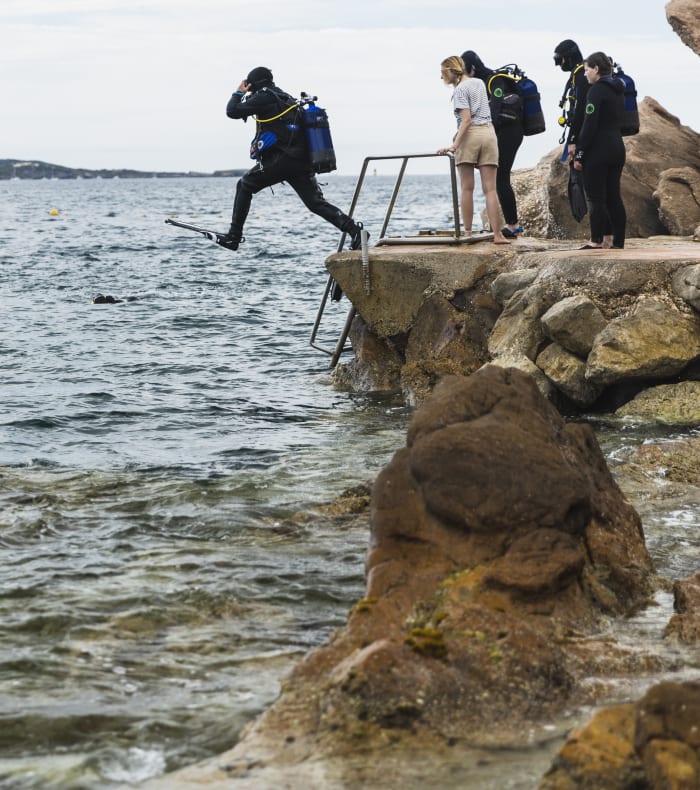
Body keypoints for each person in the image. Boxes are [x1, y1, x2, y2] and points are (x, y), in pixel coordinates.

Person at [219, 66, 363, 252]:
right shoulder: (286, 98)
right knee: (315, 203)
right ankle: (355, 231)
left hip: (282, 160)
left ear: (253, 83)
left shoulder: (264, 97)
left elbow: (232, 111)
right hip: (302, 161)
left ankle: (233, 236)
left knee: (245, 185)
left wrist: (238, 92)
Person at [436, 56, 509, 245]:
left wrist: (454, 145)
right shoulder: (479, 83)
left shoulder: (459, 90)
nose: (442, 77)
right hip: (489, 133)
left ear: (452, 71)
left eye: (443, 72)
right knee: (490, 189)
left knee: (467, 188)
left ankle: (467, 233)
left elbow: (467, 120)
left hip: (471, 135)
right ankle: (498, 235)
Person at [461, 50, 524, 238]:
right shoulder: (481, 84)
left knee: (501, 177)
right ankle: (510, 224)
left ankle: (513, 225)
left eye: (464, 71)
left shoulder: (494, 80)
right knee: (499, 178)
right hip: (500, 132)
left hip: (509, 133)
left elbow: (495, 111)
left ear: (472, 68)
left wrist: (482, 135)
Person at [573, 52, 627, 249]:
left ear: (596, 69)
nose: (585, 74)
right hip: (617, 147)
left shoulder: (596, 91)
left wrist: (579, 152)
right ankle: (616, 241)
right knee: (614, 196)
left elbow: (590, 123)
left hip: (599, 150)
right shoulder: (619, 88)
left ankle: (596, 240)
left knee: (595, 197)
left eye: (587, 70)